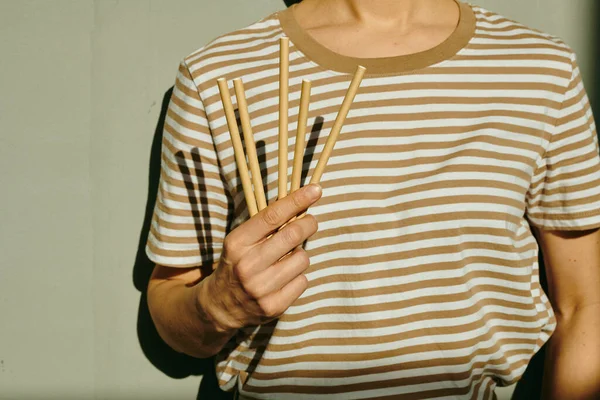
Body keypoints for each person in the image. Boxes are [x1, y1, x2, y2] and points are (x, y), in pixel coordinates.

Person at [145, 0, 600, 398]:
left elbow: (584, 305)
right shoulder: (220, 71)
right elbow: (169, 301)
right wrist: (219, 306)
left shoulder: (539, 70)